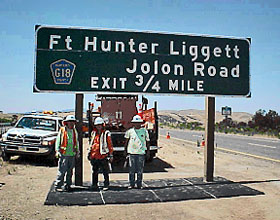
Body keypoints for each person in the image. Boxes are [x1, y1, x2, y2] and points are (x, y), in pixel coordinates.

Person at [54, 115, 80, 192]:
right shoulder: (62, 130)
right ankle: (58, 185)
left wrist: (77, 152)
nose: (71, 124)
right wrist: (57, 151)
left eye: (73, 122)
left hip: (72, 155)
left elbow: (76, 142)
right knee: (62, 171)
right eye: (70, 122)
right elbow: (58, 141)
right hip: (64, 155)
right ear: (66, 123)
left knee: (70, 171)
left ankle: (68, 185)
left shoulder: (74, 131)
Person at [124, 115, 150, 189]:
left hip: (141, 153)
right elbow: (126, 142)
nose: (137, 124)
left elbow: (148, 142)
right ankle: (131, 184)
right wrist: (125, 151)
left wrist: (148, 152)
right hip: (132, 153)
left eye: (138, 122)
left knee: (140, 170)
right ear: (133, 123)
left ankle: (139, 184)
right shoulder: (129, 131)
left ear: (141, 123)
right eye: (135, 122)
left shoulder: (144, 131)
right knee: (131, 170)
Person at [88, 117, 113, 191]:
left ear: (102, 125)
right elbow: (91, 144)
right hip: (94, 155)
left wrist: (111, 154)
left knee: (105, 171)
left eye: (100, 125)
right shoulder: (93, 133)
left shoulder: (106, 133)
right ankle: (94, 185)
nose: (98, 126)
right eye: (97, 125)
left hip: (103, 155)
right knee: (95, 171)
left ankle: (106, 184)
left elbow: (110, 144)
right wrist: (89, 153)